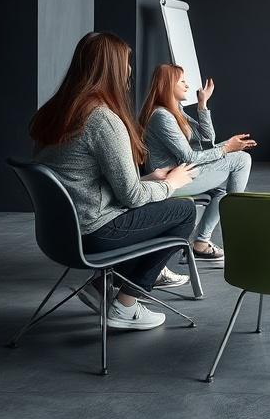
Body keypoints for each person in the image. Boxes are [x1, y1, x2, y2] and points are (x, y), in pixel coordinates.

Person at [31, 32, 196, 331]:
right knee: (184, 211)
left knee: (156, 199)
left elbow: (81, 178)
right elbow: (132, 197)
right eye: (127, 63)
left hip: (59, 234)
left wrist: (147, 178)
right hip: (95, 233)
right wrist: (171, 183)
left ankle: (100, 287)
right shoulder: (102, 119)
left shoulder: (55, 112)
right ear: (113, 68)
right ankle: (126, 304)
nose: (130, 70)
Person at [139, 64, 255, 266]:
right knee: (241, 160)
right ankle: (237, 229)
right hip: (172, 179)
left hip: (184, 171)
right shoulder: (161, 116)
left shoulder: (176, 111)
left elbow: (208, 141)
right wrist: (226, 148)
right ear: (168, 85)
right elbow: (190, 156)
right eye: (182, 81)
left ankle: (201, 243)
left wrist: (203, 105)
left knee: (222, 190)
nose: (187, 85)